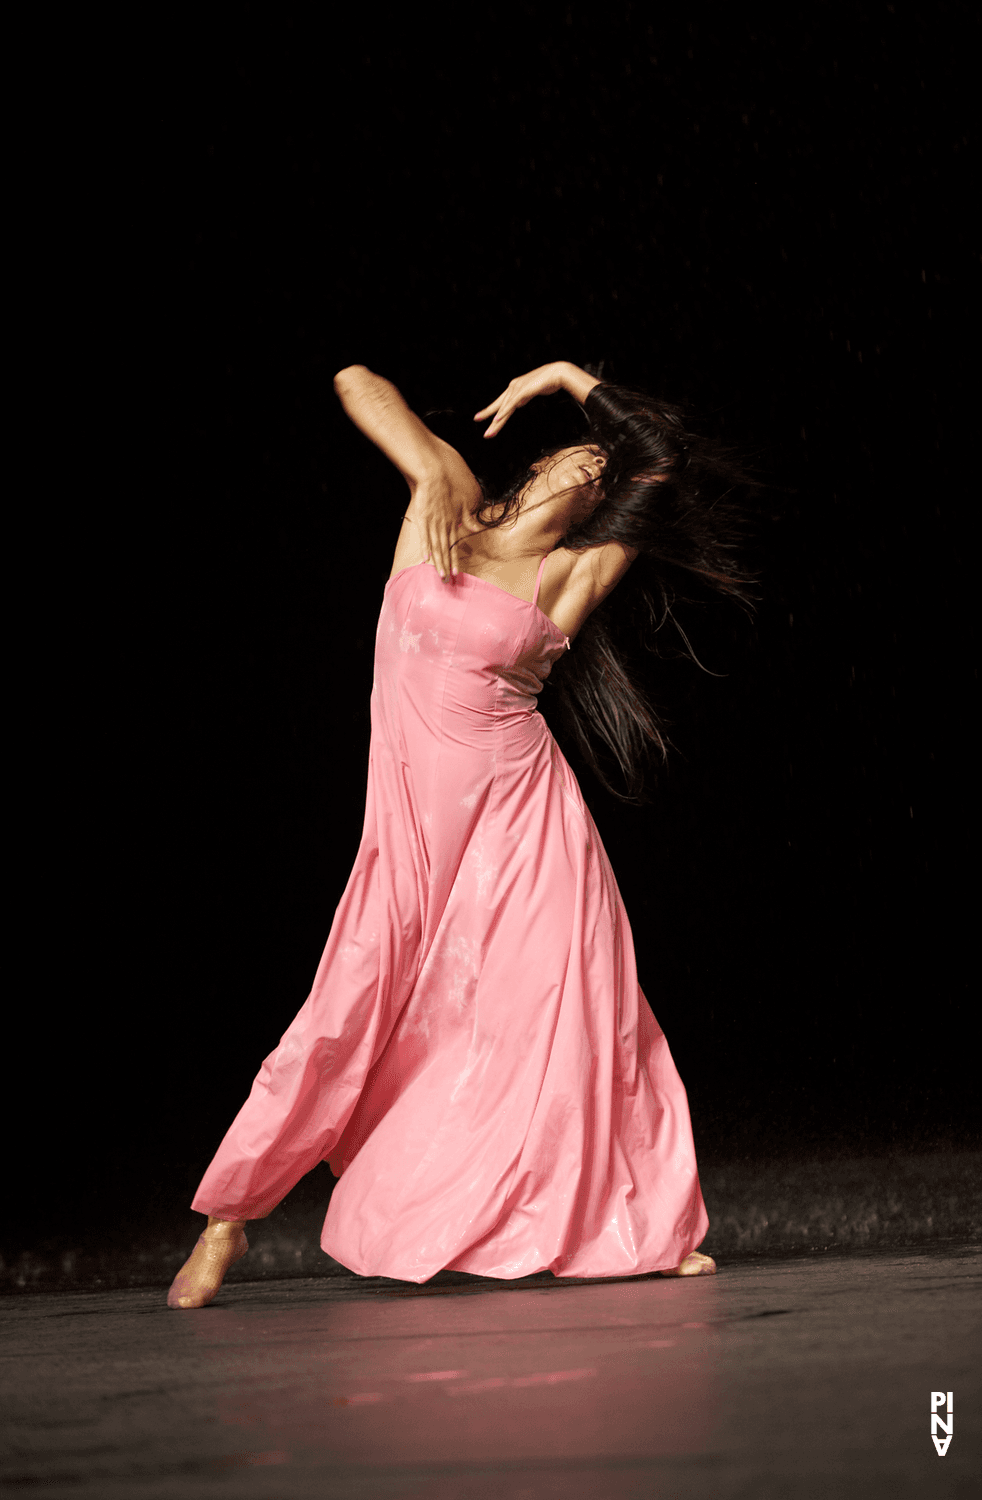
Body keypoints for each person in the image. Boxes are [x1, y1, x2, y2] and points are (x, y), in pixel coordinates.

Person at [168, 359, 753, 1309]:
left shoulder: (571, 573)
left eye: (601, 474)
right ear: (539, 469)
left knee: (572, 1019)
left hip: (524, 823)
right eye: (579, 454)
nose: (592, 467)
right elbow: (355, 380)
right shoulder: (445, 503)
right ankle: (226, 1221)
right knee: (341, 1015)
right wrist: (434, 473)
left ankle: (635, 1224)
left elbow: (662, 458)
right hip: (407, 838)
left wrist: (568, 375)